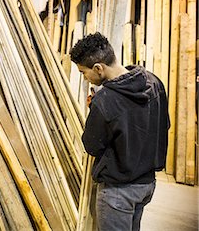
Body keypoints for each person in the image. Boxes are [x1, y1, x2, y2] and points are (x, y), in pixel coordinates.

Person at [70, 32, 169, 231]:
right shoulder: (154, 82)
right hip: (146, 185)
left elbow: (92, 146)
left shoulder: (105, 100)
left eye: (83, 73)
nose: (85, 79)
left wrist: (95, 113)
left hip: (118, 191)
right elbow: (163, 125)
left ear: (98, 68)